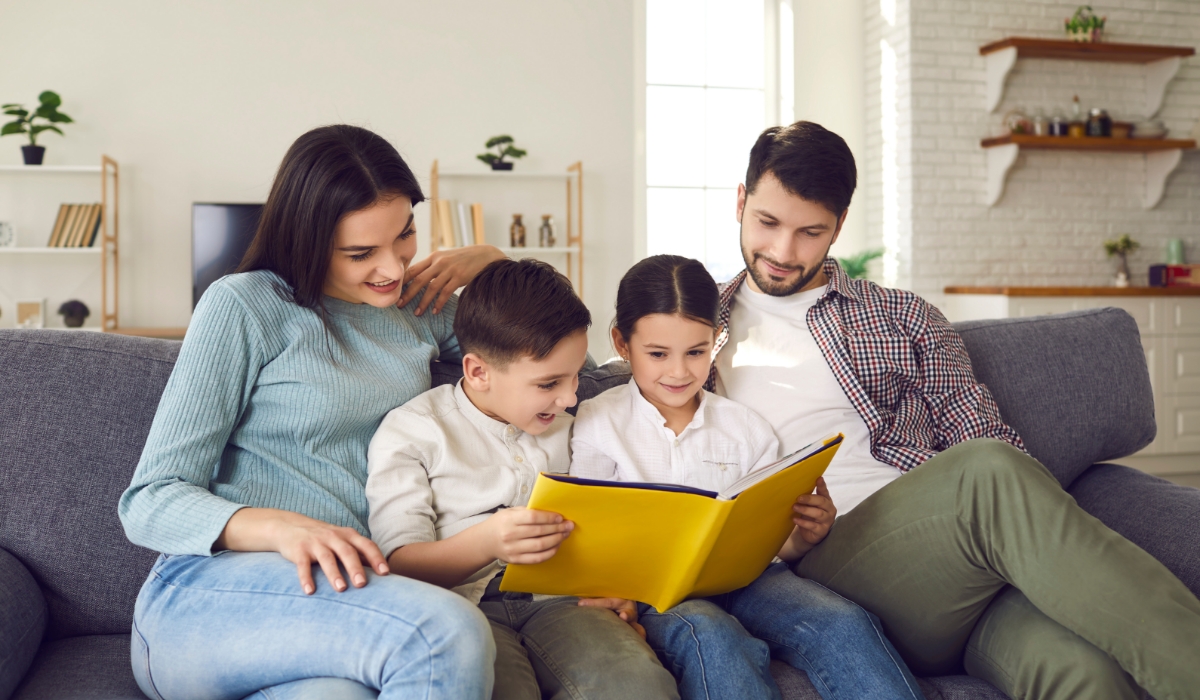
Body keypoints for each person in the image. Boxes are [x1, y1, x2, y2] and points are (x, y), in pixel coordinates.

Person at [707, 120, 1200, 699]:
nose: (783, 252)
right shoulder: (693, 331)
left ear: (839, 226)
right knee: (985, 472)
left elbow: (986, 435)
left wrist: (1032, 553)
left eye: (810, 232)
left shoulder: (905, 317)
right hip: (829, 571)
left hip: (957, 572)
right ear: (741, 203)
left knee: (1083, 675)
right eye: (767, 223)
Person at [118, 124, 508, 700]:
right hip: (209, 596)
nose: (393, 269)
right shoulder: (245, 305)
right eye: (359, 253)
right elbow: (149, 500)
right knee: (442, 634)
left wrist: (494, 263)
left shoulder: (419, 309)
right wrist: (278, 527)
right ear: (305, 238)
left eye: (404, 236)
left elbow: (548, 358)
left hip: (347, 604)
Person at [569, 254, 925, 700]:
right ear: (622, 344)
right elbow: (589, 535)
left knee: (843, 623)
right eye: (658, 354)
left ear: (716, 342)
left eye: (696, 352)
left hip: (751, 580)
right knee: (714, 637)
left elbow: (773, 541)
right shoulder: (598, 422)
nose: (679, 372)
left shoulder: (745, 428)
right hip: (658, 593)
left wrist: (805, 535)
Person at [366, 258, 680, 700]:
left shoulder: (578, 427)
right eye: (549, 382)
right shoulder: (412, 431)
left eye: (574, 377)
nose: (571, 396)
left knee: (638, 684)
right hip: (463, 609)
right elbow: (398, 562)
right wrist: (488, 540)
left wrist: (618, 589)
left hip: (562, 603)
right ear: (478, 372)